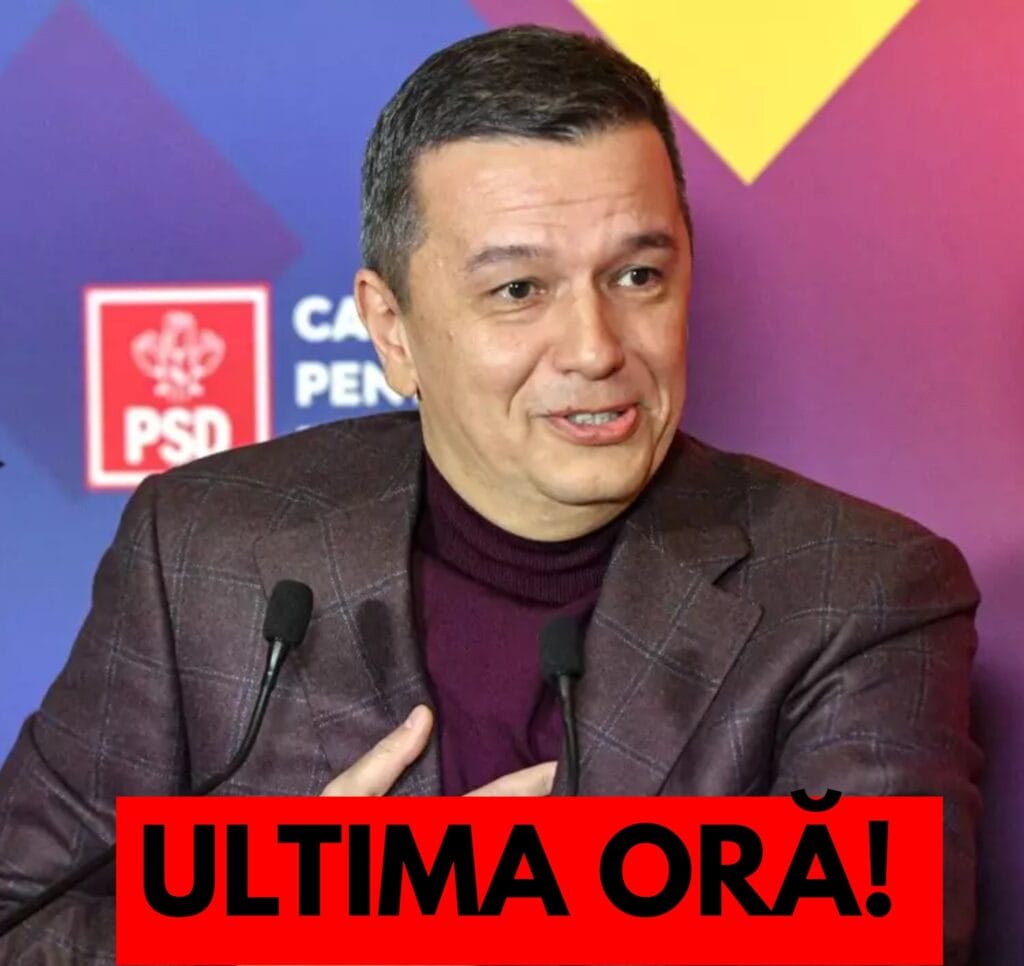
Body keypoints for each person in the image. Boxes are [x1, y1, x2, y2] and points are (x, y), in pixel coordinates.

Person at [0, 24, 980, 964]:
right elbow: (18, 919)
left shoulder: (853, 590)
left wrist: (422, 905)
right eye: (519, 290)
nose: (595, 349)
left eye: (638, 276)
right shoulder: (204, 551)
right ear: (392, 329)